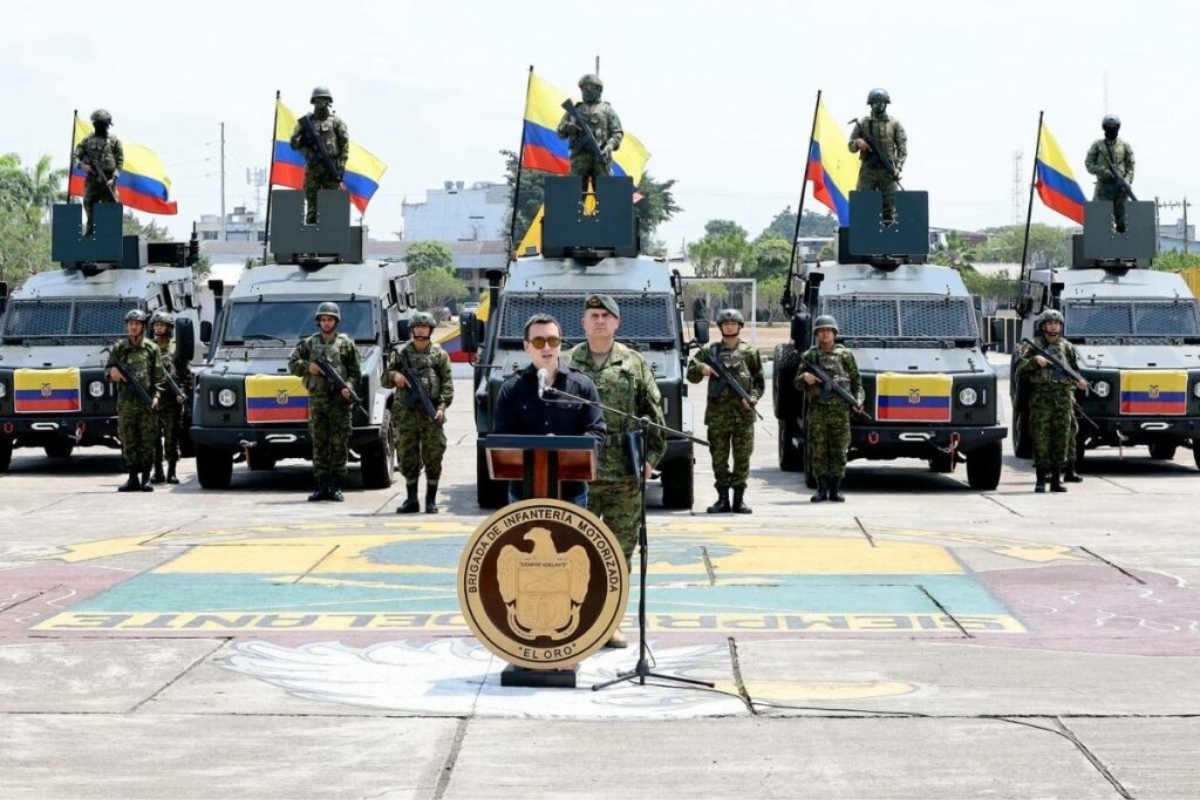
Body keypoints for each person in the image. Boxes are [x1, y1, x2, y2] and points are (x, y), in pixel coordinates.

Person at [567, 294, 664, 647]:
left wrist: (652, 458)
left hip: (624, 474)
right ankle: (574, 620)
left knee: (620, 553)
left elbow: (655, 416)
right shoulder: (566, 363)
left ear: (618, 322)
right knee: (576, 550)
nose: (599, 321)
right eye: (593, 315)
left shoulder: (634, 363)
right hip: (580, 474)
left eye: (607, 316)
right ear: (583, 322)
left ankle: (611, 622)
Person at [492, 313, 606, 507]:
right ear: (527, 346)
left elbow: (597, 432)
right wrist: (537, 448)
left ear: (560, 344)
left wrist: (565, 448)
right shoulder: (511, 388)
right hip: (523, 493)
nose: (546, 347)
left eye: (553, 340)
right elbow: (502, 437)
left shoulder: (581, 385)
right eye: (538, 341)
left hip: (572, 493)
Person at [687, 309, 764, 514]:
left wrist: (753, 397)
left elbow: (758, 381)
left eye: (733, 323)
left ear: (740, 326)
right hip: (718, 416)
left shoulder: (750, 352)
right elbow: (690, 374)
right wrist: (701, 368)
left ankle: (738, 499)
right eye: (726, 323)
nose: (729, 326)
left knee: (742, 458)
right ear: (720, 327)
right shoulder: (708, 351)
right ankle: (722, 499)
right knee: (719, 458)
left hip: (743, 415)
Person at [288, 301, 362, 502]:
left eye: (330, 319)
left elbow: (356, 373)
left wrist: (349, 387)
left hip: (339, 402)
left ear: (336, 321)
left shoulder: (346, 344)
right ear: (318, 322)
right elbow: (292, 364)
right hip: (318, 401)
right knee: (319, 444)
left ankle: (336, 485)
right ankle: (321, 485)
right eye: (323, 319)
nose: (326, 323)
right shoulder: (309, 343)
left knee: (339, 444)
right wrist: (308, 367)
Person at [386, 312, 453, 514]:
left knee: (434, 455)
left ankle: (431, 501)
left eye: (425, 326)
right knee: (407, 456)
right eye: (417, 326)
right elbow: (384, 378)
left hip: (431, 415)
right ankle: (411, 499)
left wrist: (441, 408)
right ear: (412, 329)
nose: (421, 330)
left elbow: (447, 386)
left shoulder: (439, 355)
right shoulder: (401, 354)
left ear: (430, 330)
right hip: (406, 416)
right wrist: (394, 375)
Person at [1016, 309, 1087, 493]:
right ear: (1043, 326)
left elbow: (1073, 370)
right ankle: (1041, 480)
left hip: (1063, 400)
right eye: (1050, 323)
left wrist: (1079, 382)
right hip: (1041, 400)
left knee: (1061, 439)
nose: (1054, 326)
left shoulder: (1067, 347)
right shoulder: (1033, 346)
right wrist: (1035, 361)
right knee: (1040, 439)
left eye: (1057, 323)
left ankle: (1057, 479)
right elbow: (1020, 369)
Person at [795, 315, 863, 502]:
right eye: (821, 331)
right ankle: (821, 487)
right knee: (818, 450)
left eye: (828, 330)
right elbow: (796, 383)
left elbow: (857, 383)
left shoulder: (845, 356)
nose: (825, 334)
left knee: (839, 450)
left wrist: (858, 400)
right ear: (817, 333)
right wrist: (805, 377)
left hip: (840, 412)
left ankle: (835, 488)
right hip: (817, 411)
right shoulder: (810, 356)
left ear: (834, 333)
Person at [105, 309, 165, 492]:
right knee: (128, 439)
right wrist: (112, 374)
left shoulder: (151, 348)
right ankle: (132, 478)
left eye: (137, 324)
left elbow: (159, 377)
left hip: (146, 403)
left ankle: (146, 478)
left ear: (143, 327)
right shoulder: (119, 348)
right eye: (131, 323)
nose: (133, 327)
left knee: (147, 440)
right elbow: (108, 371)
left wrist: (155, 397)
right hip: (126, 403)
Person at [289, 86, 349, 224]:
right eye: (318, 100)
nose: (321, 103)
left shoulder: (336, 122)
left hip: (331, 167)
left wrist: (342, 166)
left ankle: (330, 231)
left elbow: (344, 144)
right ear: (313, 101)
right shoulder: (306, 122)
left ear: (329, 102)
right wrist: (307, 151)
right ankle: (311, 233)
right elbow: (293, 143)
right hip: (313, 168)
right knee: (312, 204)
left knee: (332, 204)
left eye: (324, 100)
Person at [848, 88, 907, 225]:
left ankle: (888, 238)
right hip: (868, 170)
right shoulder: (863, 123)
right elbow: (850, 146)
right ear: (871, 104)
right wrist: (858, 142)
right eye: (875, 103)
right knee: (863, 204)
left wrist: (898, 167)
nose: (878, 105)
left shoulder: (894, 124)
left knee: (889, 207)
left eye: (881, 102)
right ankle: (864, 236)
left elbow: (902, 149)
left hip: (887, 171)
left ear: (886, 104)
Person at [556, 74, 623, 182]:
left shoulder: (607, 109)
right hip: (579, 159)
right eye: (584, 87)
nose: (587, 90)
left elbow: (617, 133)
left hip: (601, 156)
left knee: (607, 191)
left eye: (591, 87)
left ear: (599, 89)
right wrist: (568, 127)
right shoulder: (575, 109)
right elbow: (560, 133)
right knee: (573, 190)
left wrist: (609, 147)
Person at [149, 311, 190, 486]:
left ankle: (171, 472)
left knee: (172, 437)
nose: (159, 328)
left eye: (162, 325)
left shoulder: (175, 351)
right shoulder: (149, 349)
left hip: (172, 401)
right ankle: (157, 471)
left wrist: (182, 392)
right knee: (154, 437)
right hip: (154, 399)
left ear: (169, 328)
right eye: (156, 325)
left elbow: (185, 375)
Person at [73, 109, 124, 234]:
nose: (103, 127)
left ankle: (110, 234)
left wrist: (114, 178)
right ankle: (91, 231)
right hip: (93, 179)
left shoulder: (114, 140)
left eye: (104, 124)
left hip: (109, 181)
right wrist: (82, 166)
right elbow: (74, 156)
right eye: (100, 124)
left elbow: (120, 161)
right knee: (89, 204)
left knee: (111, 208)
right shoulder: (87, 141)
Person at [1085, 115, 1135, 233]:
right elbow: (1089, 164)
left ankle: (1123, 250)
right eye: (1109, 127)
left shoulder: (1124, 146)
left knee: (1124, 223)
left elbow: (1130, 167)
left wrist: (1126, 181)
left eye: (1114, 127)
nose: (1112, 129)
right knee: (1100, 222)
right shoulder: (1097, 145)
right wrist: (1104, 172)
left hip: (1121, 190)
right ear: (1104, 128)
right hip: (1103, 189)